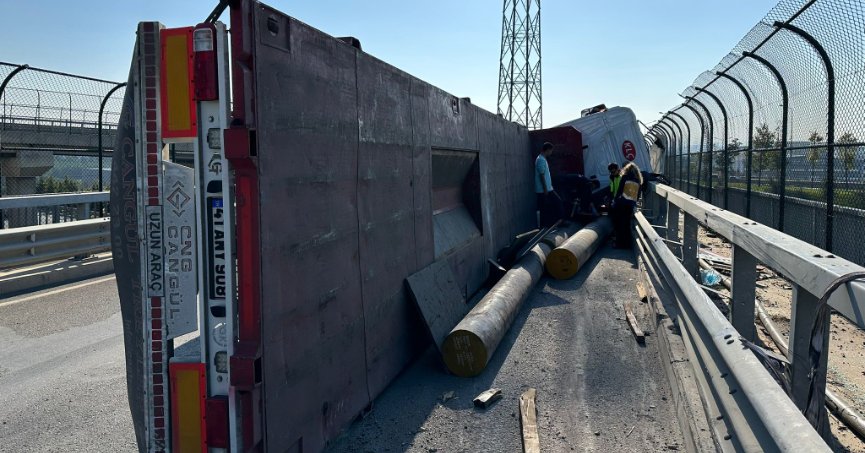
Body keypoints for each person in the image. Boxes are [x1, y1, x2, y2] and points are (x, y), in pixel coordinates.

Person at [611, 162, 643, 249]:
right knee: (626, 224)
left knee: (619, 224)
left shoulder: (625, 177)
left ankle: (619, 244)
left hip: (622, 203)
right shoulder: (638, 180)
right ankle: (627, 244)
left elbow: (619, 191)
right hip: (630, 205)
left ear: (627, 170)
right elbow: (638, 195)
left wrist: (615, 201)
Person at [535, 142, 562, 227]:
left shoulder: (541, 158)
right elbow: (542, 176)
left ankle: (546, 225)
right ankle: (558, 222)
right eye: (551, 151)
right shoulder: (541, 160)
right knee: (557, 202)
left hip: (547, 188)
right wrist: (545, 189)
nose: (551, 153)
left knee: (544, 207)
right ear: (547, 150)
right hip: (544, 190)